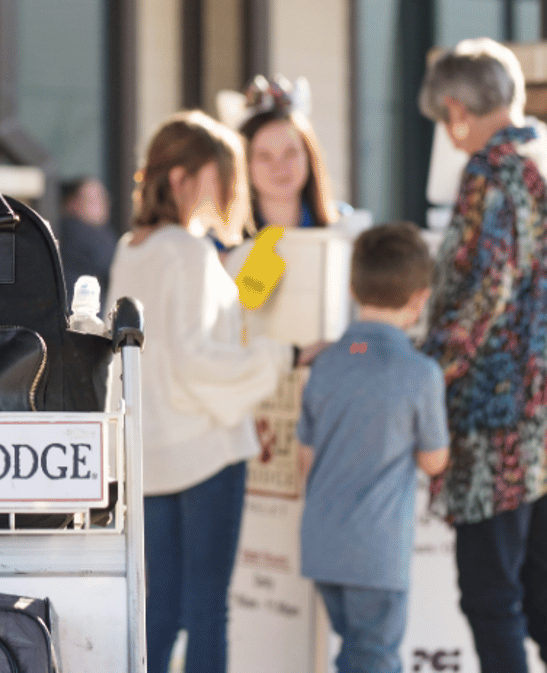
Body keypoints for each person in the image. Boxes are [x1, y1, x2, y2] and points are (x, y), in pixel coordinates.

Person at [107, 111, 324, 673]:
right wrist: (286, 356)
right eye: (221, 176)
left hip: (151, 455)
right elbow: (201, 359)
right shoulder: (188, 251)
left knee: (161, 609)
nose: (230, 190)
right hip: (207, 452)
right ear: (181, 179)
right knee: (208, 610)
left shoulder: (131, 249)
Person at [418, 38, 547, 673]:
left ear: (456, 108)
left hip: (495, 418)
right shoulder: (539, 156)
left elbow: (484, 291)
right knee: (539, 591)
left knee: (490, 594)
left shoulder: (492, 170)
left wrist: (426, 369)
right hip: (541, 416)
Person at [297, 223, 448, 673]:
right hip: (377, 552)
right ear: (420, 298)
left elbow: (305, 459)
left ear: (351, 288)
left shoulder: (329, 361)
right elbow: (434, 460)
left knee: (357, 651)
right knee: (374, 657)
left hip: (323, 546)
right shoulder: (420, 373)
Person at [232, 75, 344, 229]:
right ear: (243, 164)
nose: (279, 166)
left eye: (290, 153)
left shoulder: (344, 228)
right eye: (264, 156)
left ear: (309, 156)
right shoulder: (221, 244)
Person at [57, 175, 116, 296]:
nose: (104, 204)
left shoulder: (60, 230)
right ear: (73, 204)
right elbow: (116, 268)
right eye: (95, 200)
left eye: (105, 198)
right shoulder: (85, 235)